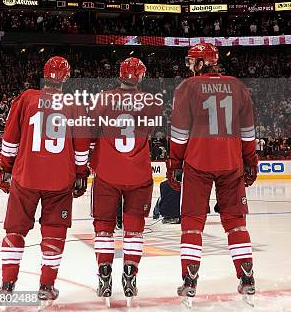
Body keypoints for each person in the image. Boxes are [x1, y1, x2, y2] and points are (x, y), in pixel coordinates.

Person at [168, 43, 258, 307]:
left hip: (198, 164)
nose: (189, 66)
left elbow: (179, 133)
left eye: (192, 61)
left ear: (201, 63)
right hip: (231, 163)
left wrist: (175, 162)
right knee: (236, 224)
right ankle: (247, 277)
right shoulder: (238, 86)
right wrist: (250, 159)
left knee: (192, 224)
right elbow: (248, 131)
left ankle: (190, 281)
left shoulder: (187, 87)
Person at [0, 56, 90, 306]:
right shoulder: (74, 104)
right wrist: (80, 174)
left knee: (15, 230)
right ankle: (46, 286)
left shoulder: (27, 97)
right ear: (66, 78)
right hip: (60, 181)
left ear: (44, 74)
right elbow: (81, 149)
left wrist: (5, 166)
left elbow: (10, 139)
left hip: (25, 176)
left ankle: (7, 284)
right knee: (54, 233)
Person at [88, 57, 157, 305]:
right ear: (139, 76)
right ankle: (130, 274)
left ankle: (105, 276)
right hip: (138, 173)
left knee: (104, 227)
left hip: (107, 172)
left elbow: (91, 130)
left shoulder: (104, 98)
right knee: (134, 229)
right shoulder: (150, 101)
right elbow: (149, 131)